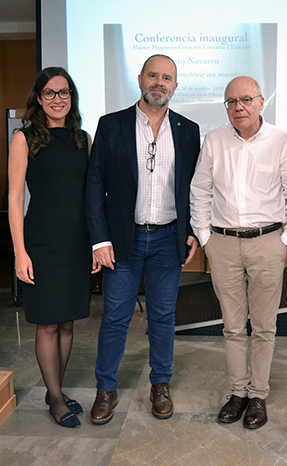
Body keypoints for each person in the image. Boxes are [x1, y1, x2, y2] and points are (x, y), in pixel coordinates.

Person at [85, 54, 201, 424]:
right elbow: (94, 185)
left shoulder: (188, 129)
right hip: (123, 240)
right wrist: (99, 240)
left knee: (164, 316)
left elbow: (196, 188)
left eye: (167, 78)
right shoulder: (111, 125)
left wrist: (194, 231)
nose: (159, 82)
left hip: (169, 238)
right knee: (115, 317)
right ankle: (106, 388)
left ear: (175, 86)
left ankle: (160, 384)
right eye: (153, 75)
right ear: (140, 79)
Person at [189, 76, 287, 429]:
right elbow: (200, 190)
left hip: (268, 243)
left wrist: (286, 240)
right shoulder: (214, 140)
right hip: (222, 244)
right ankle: (237, 393)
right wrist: (205, 238)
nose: (238, 107)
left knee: (264, 327)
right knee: (231, 326)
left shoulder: (281, 140)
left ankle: (258, 394)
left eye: (245, 100)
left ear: (260, 103)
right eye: (230, 102)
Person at [8, 67, 100, 428]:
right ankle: (56, 399)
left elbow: (92, 196)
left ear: (72, 98)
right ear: (39, 99)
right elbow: (15, 198)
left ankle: (54, 388)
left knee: (67, 322)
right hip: (41, 241)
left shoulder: (83, 139)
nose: (58, 99)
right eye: (50, 93)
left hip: (77, 242)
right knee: (47, 323)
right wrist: (20, 251)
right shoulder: (24, 139)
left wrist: (96, 243)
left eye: (64, 93)